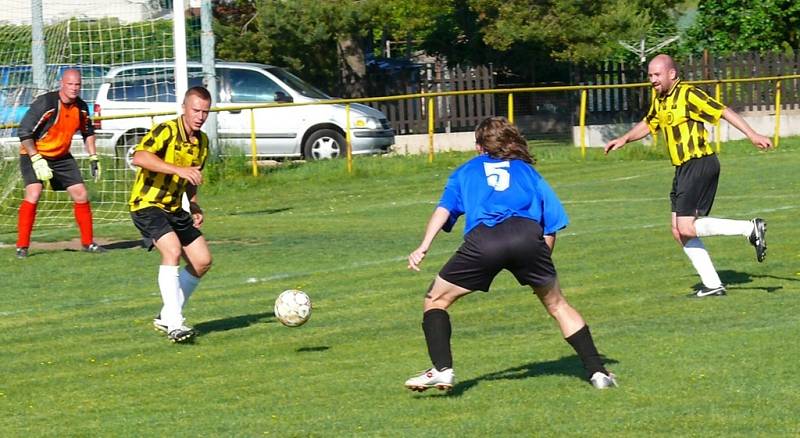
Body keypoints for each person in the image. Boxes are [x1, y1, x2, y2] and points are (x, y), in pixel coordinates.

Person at [404, 116, 617, 392]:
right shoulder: (528, 172)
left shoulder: (466, 171)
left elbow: (444, 209)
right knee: (558, 305)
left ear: (480, 146)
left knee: (435, 300)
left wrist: (424, 246)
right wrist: (541, 266)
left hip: (485, 240)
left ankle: (442, 370)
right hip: (527, 237)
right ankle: (598, 373)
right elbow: (550, 225)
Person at [604, 54, 772, 298]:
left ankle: (750, 229)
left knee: (686, 226)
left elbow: (722, 111)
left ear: (672, 74)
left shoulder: (688, 94)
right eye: (650, 75)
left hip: (699, 163)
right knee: (678, 230)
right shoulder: (660, 99)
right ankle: (713, 284)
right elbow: (650, 123)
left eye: (657, 75)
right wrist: (624, 139)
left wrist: (753, 135)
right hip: (683, 168)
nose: (652, 80)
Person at [129, 86, 213, 343]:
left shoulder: (202, 142)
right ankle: (175, 324)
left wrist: (194, 204)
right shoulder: (167, 130)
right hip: (147, 203)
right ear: (184, 108)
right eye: (195, 110)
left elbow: (191, 177)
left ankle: (166, 315)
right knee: (172, 250)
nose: (200, 116)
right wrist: (176, 169)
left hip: (175, 208)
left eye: (205, 112)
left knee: (202, 261)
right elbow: (139, 156)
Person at [15, 68, 104, 258]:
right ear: (61, 84)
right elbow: (24, 132)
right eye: (70, 84)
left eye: (77, 84)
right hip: (34, 153)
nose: (74, 88)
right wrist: (36, 158)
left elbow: (88, 132)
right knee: (34, 192)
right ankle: (22, 246)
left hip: (61, 155)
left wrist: (93, 157)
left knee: (81, 193)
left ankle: (88, 243)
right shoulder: (46, 103)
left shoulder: (81, 106)